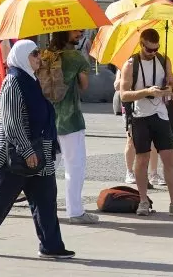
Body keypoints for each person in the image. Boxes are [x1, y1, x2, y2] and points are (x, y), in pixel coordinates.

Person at [0, 40, 74, 259]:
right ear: (23, 56)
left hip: (39, 151)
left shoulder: (31, 80)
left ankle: (51, 245)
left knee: (46, 198)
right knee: (2, 197)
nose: (38, 58)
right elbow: (12, 121)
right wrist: (27, 150)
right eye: (34, 54)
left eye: (38, 54)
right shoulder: (13, 82)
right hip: (19, 153)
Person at [119, 28, 173, 217]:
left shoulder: (163, 60)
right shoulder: (130, 64)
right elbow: (124, 95)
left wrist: (170, 88)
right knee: (142, 159)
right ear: (141, 45)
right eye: (149, 49)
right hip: (139, 116)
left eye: (156, 49)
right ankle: (143, 201)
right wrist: (147, 92)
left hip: (161, 115)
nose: (153, 53)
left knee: (169, 158)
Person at [49, 30, 99, 224]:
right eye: (76, 30)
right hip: (70, 119)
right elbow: (84, 86)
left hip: (49, 119)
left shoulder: (46, 55)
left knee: (50, 167)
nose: (80, 33)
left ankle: (45, 206)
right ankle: (75, 211)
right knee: (75, 166)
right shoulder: (76, 57)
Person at [114, 70, 164, 186]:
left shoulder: (153, 63)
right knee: (131, 140)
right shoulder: (127, 65)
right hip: (131, 107)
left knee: (153, 141)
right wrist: (129, 79)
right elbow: (116, 86)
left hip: (151, 106)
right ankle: (129, 172)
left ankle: (153, 173)